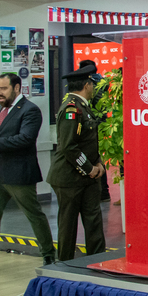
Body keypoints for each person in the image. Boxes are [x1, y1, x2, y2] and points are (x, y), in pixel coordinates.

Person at [0, 73, 56, 274]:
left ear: (16, 88)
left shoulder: (30, 110)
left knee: (34, 215)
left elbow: (25, 139)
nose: (0, 93)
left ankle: (49, 254)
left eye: (4, 89)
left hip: (19, 175)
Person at [47, 60, 107, 261]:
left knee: (94, 222)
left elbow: (89, 142)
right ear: (86, 85)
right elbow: (69, 146)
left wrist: (98, 164)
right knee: (68, 225)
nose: (93, 88)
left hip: (87, 179)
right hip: (68, 179)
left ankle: (97, 261)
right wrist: (90, 168)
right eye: (92, 84)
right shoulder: (71, 109)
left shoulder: (83, 107)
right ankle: (65, 265)